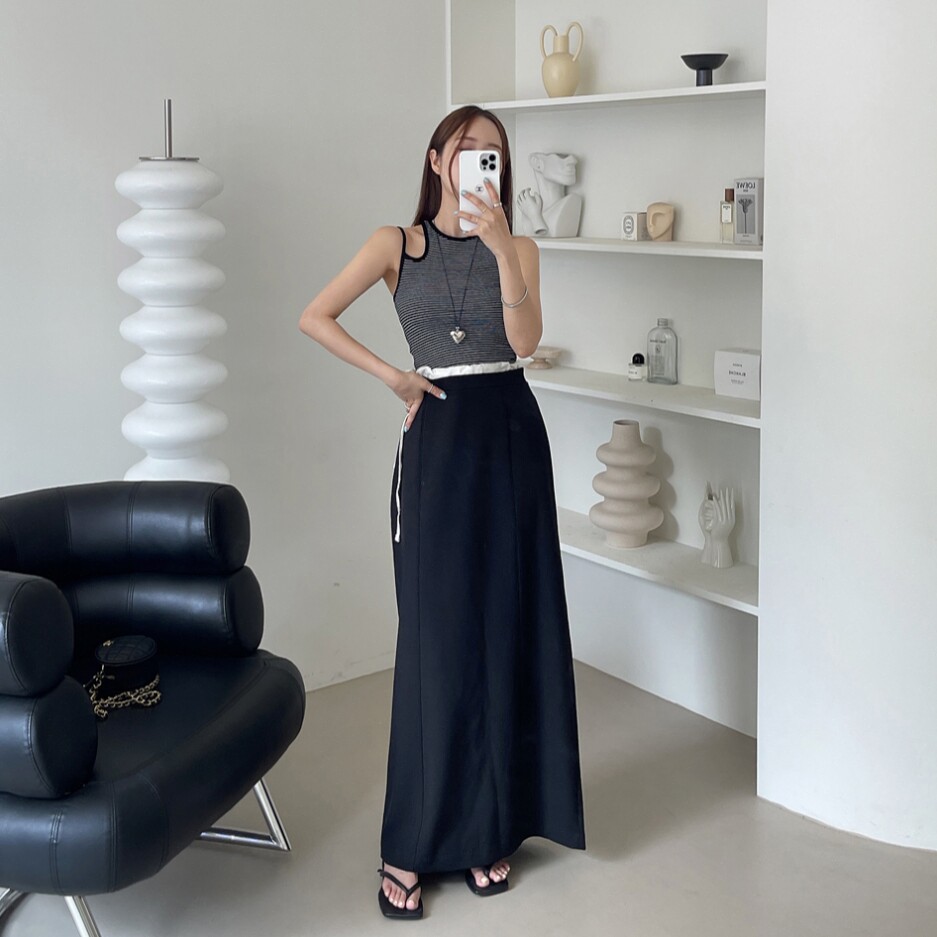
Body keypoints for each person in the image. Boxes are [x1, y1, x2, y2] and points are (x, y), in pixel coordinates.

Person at [299, 105, 586, 919]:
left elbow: (523, 343)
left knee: (506, 632)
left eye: (494, 152)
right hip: (439, 445)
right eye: (467, 149)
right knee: (436, 642)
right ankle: (411, 843)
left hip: (511, 438)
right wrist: (392, 375)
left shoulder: (519, 247)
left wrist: (499, 248)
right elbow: (314, 315)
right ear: (436, 160)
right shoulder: (394, 243)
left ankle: (488, 829)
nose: (482, 162)